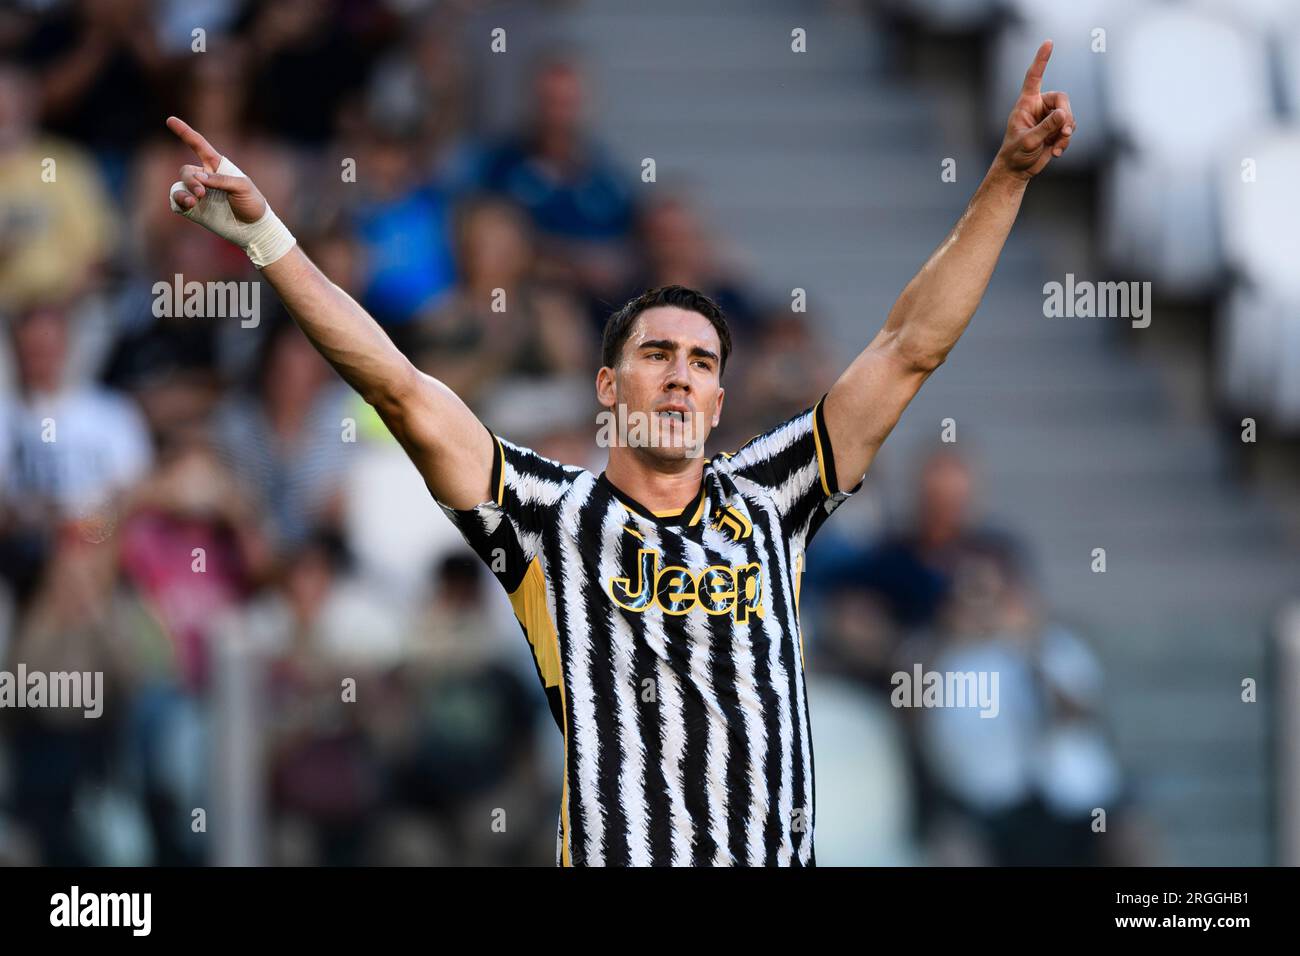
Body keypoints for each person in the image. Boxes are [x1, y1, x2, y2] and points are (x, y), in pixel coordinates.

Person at [161, 40, 1076, 866]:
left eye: (703, 363)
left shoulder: (778, 493)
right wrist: (266, 239)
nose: (681, 378)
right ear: (608, 389)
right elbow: (400, 387)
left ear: (721, 400)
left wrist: (1006, 176)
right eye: (657, 355)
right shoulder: (544, 517)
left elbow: (910, 345)